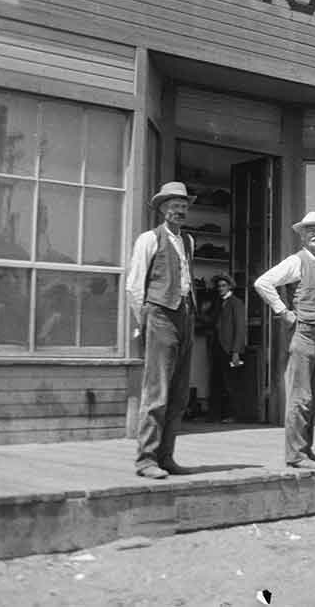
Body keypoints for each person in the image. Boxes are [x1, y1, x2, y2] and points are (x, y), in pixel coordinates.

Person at [126, 181, 198, 479]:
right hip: (159, 315)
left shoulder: (189, 241)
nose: (179, 210)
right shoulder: (149, 239)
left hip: (185, 316)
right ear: (162, 209)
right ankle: (146, 460)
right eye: (173, 205)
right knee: (157, 391)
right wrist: (142, 321)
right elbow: (134, 285)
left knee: (179, 393)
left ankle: (166, 457)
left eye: (183, 206)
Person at [254, 211, 315, 469]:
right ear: (301, 234)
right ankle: (296, 455)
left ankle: (306, 450)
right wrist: (283, 312)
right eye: (310, 229)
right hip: (304, 333)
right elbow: (263, 283)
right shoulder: (296, 261)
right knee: (301, 397)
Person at [210, 273, 247, 423]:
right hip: (218, 347)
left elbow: (239, 328)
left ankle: (233, 414)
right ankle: (217, 414)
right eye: (219, 286)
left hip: (229, 348)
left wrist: (236, 351)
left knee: (231, 383)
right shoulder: (218, 303)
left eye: (223, 286)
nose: (220, 289)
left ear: (230, 286)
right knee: (217, 381)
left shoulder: (236, 303)